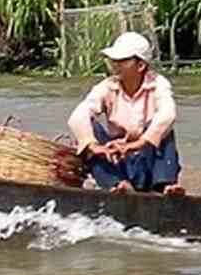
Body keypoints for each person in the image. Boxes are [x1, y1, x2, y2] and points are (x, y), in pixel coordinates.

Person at [67, 31, 182, 193]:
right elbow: (78, 116)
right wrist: (94, 146)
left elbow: (168, 114)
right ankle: (117, 184)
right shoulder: (107, 87)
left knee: (163, 129)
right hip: (116, 160)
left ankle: (165, 184)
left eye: (122, 61)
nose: (115, 65)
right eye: (114, 61)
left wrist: (137, 145)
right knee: (89, 130)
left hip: (147, 160)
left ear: (140, 65)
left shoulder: (158, 84)